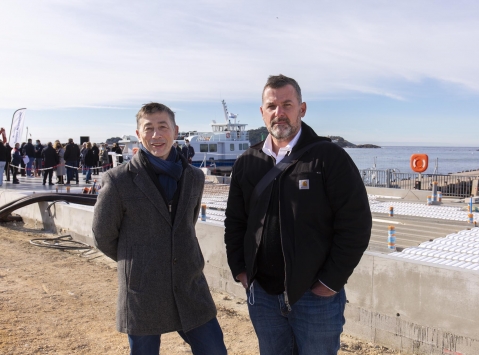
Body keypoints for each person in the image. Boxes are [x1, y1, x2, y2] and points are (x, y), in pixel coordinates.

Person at [224, 74, 372, 355]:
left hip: (315, 298)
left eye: (287, 105)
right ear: (262, 112)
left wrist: (330, 282)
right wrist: (241, 270)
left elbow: (356, 224)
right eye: (271, 106)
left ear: (301, 109)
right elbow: (236, 222)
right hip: (263, 297)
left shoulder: (329, 157)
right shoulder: (247, 162)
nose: (279, 113)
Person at [92, 102, 227, 355]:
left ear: (175, 131)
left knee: (214, 350)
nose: (156, 135)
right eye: (149, 128)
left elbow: (187, 224)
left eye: (162, 127)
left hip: (189, 285)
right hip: (143, 288)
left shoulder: (194, 177)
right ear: (138, 134)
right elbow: (103, 235)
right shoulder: (118, 180)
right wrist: (137, 262)